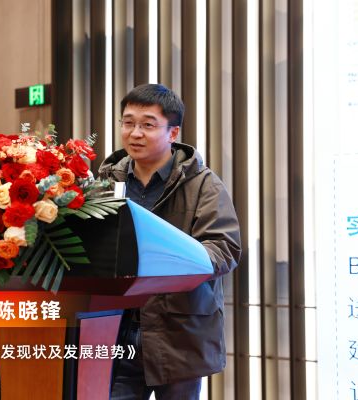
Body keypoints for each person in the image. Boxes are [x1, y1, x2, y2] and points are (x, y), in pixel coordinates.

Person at [99, 83, 242, 400]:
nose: (135, 133)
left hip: (179, 333)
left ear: (173, 132)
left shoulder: (203, 184)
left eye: (148, 125)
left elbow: (224, 249)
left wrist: (165, 262)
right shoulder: (106, 183)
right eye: (128, 122)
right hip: (116, 331)